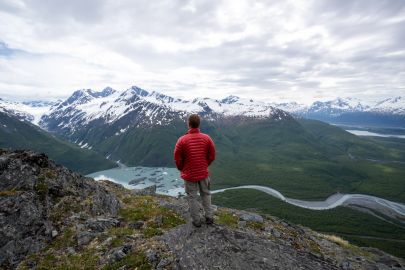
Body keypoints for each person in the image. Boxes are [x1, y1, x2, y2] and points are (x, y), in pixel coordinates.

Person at [174, 114, 216, 227]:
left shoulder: (181, 140)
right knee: (206, 194)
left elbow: (177, 158)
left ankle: (196, 221)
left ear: (189, 124)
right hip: (203, 173)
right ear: (199, 124)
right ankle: (209, 217)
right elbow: (212, 155)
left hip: (189, 174)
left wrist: (181, 168)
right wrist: (205, 165)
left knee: (192, 197)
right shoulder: (207, 138)